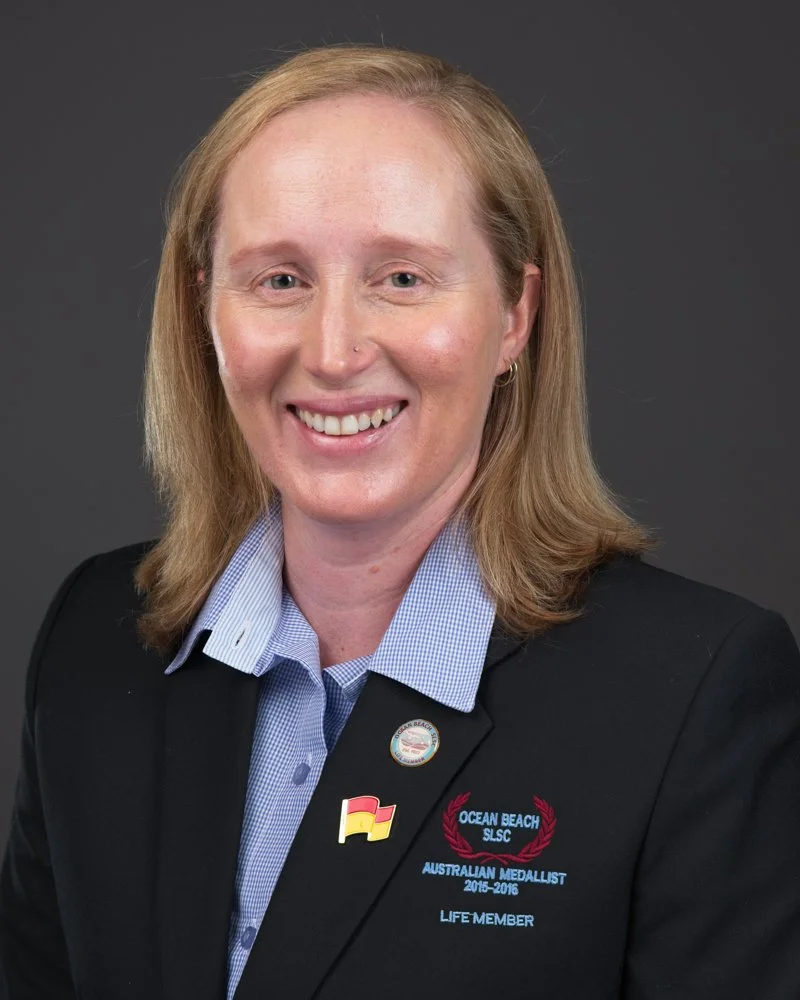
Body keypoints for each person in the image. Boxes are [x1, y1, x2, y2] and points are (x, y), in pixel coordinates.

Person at [1, 42, 798, 1000]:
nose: (334, 352)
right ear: (203, 311)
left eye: (404, 278)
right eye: (279, 280)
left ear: (514, 316)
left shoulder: (696, 692)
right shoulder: (98, 639)